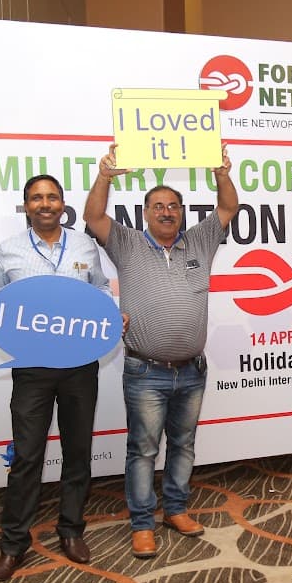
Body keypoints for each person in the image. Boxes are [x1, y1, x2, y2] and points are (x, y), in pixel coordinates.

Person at [88, 143, 238, 558]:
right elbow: (94, 217)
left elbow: (228, 208)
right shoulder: (127, 243)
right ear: (145, 213)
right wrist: (104, 175)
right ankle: (142, 522)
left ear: (182, 213)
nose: (166, 211)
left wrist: (222, 173)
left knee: (184, 444)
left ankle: (175, 508)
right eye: (158, 205)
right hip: (145, 371)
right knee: (144, 448)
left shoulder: (201, 242)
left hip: (192, 371)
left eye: (173, 205)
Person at [0, 175, 112, 582]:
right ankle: (13, 544)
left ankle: (71, 531)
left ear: (63, 203)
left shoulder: (85, 245)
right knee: (27, 456)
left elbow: (100, 290)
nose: (45, 204)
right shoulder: (8, 250)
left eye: (52, 197)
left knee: (77, 451)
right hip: (31, 368)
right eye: (37, 198)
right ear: (26, 206)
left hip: (80, 366)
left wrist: (109, 316)